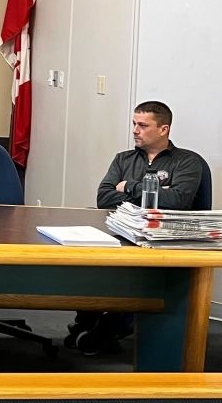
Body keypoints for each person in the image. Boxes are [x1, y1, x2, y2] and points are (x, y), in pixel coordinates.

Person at [69, 100, 203, 355]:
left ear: (163, 129)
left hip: (163, 244)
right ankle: (88, 320)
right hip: (121, 236)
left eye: (143, 125)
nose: (135, 130)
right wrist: (154, 194)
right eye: (134, 124)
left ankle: (108, 327)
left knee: (142, 284)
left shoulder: (187, 162)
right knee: (88, 266)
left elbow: (178, 201)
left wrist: (129, 187)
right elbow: (104, 198)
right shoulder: (124, 159)